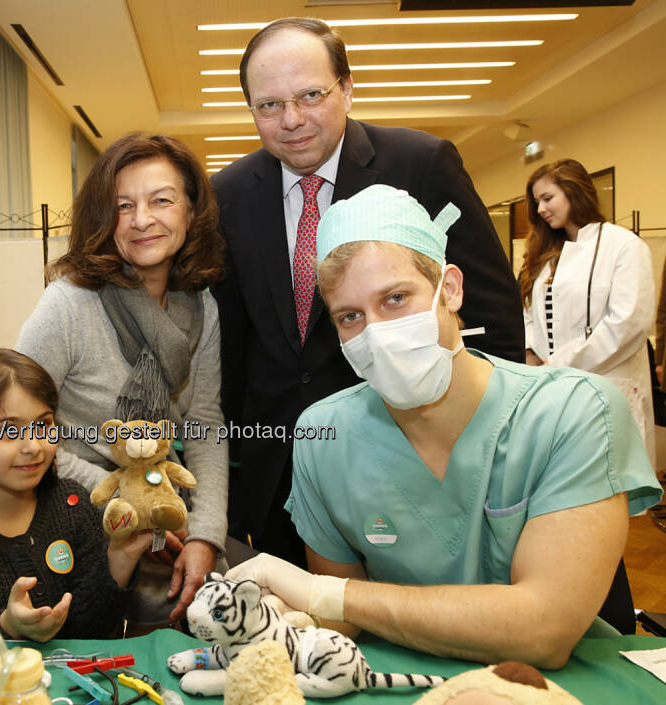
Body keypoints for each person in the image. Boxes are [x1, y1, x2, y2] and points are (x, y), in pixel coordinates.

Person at [226, 185, 662, 668]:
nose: (377, 335)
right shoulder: (324, 434)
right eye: (350, 317)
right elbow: (340, 618)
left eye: (395, 299)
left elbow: (544, 630)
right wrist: (293, 617)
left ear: (450, 289)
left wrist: (329, 597)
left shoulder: (571, 411)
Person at [211, 17, 525, 565]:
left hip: (412, 446)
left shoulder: (420, 164)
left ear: (347, 87)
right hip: (279, 464)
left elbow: (491, 314)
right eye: (268, 105)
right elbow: (231, 344)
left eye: (311, 95)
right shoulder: (227, 193)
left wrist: (488, 441)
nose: (292, 120)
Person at [15, 133, 228, 624]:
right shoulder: (69, 303)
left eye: (161, 200)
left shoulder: (202, 306)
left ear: (191, 212)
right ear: (101, 219)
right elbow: (15, 431)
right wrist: (133, 499)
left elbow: (206, 424)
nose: (141, 220)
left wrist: (205, 533)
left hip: (172, 508)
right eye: (122, 205)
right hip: (77, 515)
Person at [0, 348, 151, 642]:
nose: (33, 445)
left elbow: (89, 632)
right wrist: (7, 628)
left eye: (44, 425)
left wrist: (120, 557)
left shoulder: (72, 505)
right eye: (9, 430)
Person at [521, 159, 655, 462]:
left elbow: (628, 323)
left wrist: (559, 362)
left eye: (547, 198)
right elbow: (530, 311)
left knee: (615, 485)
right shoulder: (546, 255)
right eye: (537, 202)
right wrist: (532, 353)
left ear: (574, 191)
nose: (541, 209)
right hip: (553, 385)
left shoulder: (623, 246)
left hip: (609, 381)